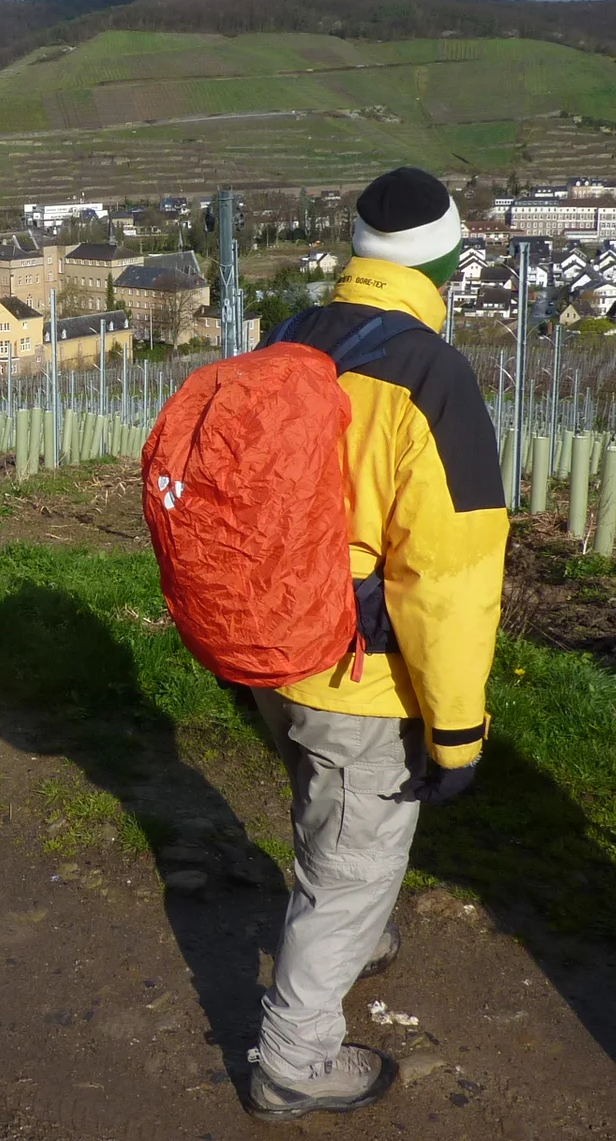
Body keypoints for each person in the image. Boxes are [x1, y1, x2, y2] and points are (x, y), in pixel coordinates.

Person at [247, 168, 507, 1119]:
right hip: (358, 671)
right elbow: (447, 576)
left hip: (275, 643)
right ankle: (292, 1059)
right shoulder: (432, 376)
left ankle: (356, 929)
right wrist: (458, 731)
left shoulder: (289, 337)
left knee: (328, 809)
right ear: (445, 262)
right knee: (353, 857)